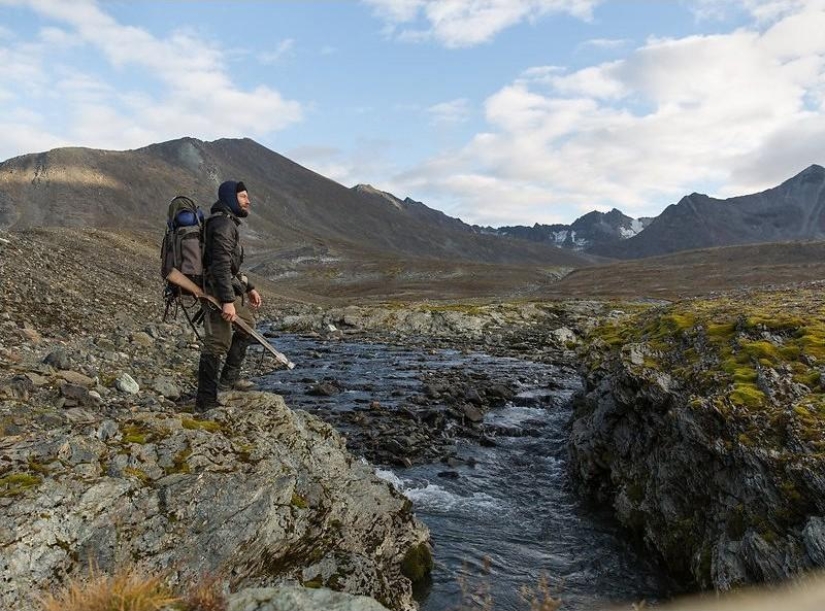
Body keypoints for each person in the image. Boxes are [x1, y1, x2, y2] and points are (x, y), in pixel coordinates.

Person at [195, 180, 262, 412]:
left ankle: (227, 382)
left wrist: (249, 287)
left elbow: (230, 266)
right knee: (217, 342)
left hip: (220, 288)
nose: (248, 200)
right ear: (231, 199)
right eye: (243, 196)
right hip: (214, 292)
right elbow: (220, 266)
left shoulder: (226, 222)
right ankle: (205, 402)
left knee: (247, 326)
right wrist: (227, 302)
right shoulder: (223, 224)